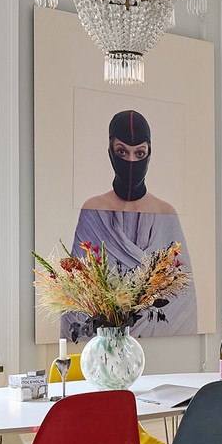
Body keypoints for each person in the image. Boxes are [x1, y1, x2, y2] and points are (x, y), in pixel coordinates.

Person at [67, 109, 198, 339]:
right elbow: (76, 293)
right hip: (104, 345)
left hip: (161, 350)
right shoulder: (93, 210)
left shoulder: (166, 212)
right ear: (110, 151)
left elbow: (182, 302)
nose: (130, 161)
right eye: (122, 152)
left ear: (149, 154)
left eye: (139, 153)